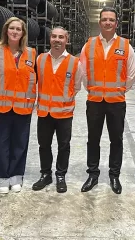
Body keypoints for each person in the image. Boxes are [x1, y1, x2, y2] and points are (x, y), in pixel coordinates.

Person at [79, 6, 135, 194]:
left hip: (116, 102)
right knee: (93, 139)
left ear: (116, 23)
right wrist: (94, 89)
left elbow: (131, 74)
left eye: (111, 20)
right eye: (104, 19)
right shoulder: (89, 45)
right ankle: (93, 174)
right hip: (95, 100)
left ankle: (114, 175)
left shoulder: (125, 46)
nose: (108, 22)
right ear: (100, 22)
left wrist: (120, 90)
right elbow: (83, 72)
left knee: (116, 139)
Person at [0, 17, 37, 194]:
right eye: (12, 28)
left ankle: (15, 177)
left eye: (19, 29)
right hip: (0, 108)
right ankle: (0, 179)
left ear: (23, 33)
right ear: (6, 31)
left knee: (20, 143)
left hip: (23, 107)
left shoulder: (31, 53)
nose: (15, 32)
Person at [32, 27, 82, 193]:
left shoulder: (75, 62)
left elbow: (76, 87)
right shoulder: (40, 60)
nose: (57, 40)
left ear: (66, 40)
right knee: (44, 145)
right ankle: (46, 174)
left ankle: (61, 175)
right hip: (44, 113)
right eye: (54, 36)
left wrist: (63, 99)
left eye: (61, 37)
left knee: (64, 145)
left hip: (64, 113)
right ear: (49, 39)